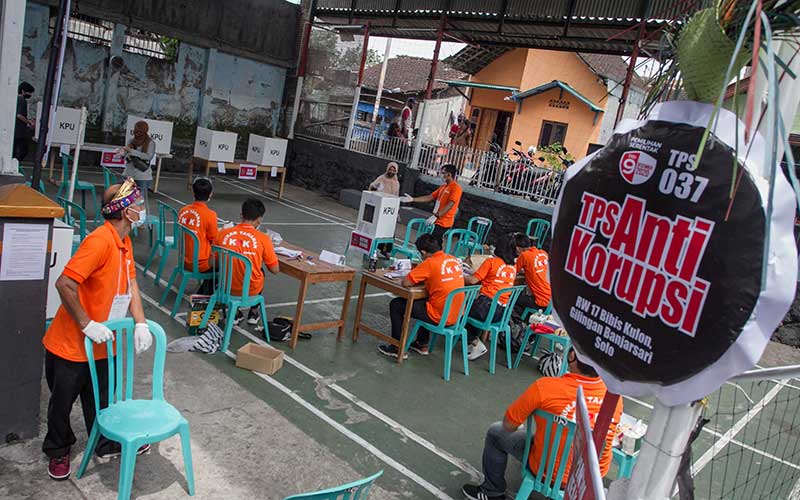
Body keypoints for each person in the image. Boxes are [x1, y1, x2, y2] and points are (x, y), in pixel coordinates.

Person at [41, 178, 153, 481]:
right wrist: (86, 323)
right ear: (126, 212)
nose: (143, 209)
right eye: (139, 205)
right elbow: (64, 284)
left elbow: (130, 284)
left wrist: (140, 322)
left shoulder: (124, 241)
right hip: (72, 344)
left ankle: (103, 443)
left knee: (102, 400)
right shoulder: (100, 241)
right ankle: (58, 450)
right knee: (61, 405)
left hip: (104, 342)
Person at [461, 350, 623, 500]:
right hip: (589, 479)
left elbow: (509, 425)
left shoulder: (545, 387)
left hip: (546, 470)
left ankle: (492, 492)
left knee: (496, 432)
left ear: (572, 355)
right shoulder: (614, 397)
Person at [377, 234, 464, 359]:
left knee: (396, 304)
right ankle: (421, 343)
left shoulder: (429, 263)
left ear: (423, 252)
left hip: (439, 316)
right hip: (457, 314)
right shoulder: (452, 259)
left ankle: (396, 347)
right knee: (425, 301)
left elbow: (407, 282)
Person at [216, 198, 279, 327]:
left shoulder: (222, 234)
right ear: (260, 219)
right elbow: (275, 270)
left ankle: (235, 313)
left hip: (224, 288)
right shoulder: (263, 239)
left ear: (241, 215)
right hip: (249, 291)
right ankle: (254, 312)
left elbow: (213, 263)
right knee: (259, 272)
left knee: (230, 268)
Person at [463, 235, 518, 361]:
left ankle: (475, 342)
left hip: (486, 308)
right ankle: (471, 342)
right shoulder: (513, 267)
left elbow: (472, 280)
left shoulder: (491, 262)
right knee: (472, 309)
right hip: (502, 313)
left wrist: (459, 276)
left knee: (459, 310)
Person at [401, 163, 463, 244]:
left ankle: (437, 255)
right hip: (436, 220)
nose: (441, 175)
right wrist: (412, 199)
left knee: (434, 244)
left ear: (449, 174)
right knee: (428, 242)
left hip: (444, 222)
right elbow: (430, 197)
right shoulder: (443, 187)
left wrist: (436, 215)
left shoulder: (456, 188)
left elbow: (450, 205)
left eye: (443, 173)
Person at [178, 177, 219, 295]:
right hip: (200, 263)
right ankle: (205, 295)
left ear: (193, 192)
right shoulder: (210, 215)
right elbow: (214, 240)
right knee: (226, 264)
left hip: (183, 259)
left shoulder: (183, 210)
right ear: (210, 194)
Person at [513, 232, 552, 321]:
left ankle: (522, 322)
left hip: (541, 302)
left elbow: (513, 272)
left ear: (518, 248)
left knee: (511, 298)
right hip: (551, 301)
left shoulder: (524, 255)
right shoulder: (543, 253)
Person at [120, 120, 156, 212]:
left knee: (140, 201)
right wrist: (123, 153)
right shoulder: (130, 141)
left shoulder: (150, 143)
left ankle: (141, 223)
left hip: (143, 176)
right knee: (125, 200)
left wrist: (132, 151)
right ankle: (126, 219)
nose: (136, 132)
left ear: (144, 131)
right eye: (135, 130)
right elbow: (125, 157)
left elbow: (148, 156)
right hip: (129, 174)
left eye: (139, 130)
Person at [13, 82, 35, 162]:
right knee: (23, 150)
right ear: (22, 91)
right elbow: (19, 115)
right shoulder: (22, 100)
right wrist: (29, 122)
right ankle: (15, 163)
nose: (30, 94)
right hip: (19, 131)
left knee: (14, 150)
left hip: (16, 130)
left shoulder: (15, 99)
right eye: (29, 92)